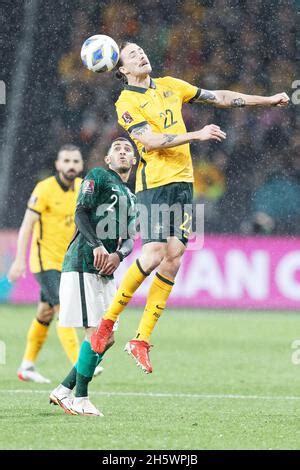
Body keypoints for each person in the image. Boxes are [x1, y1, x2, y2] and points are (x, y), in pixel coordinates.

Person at [91, 42, 290, 374]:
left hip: (184, 185)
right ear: (122, 69)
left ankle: (140, 340)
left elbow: (221, 97)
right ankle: (107, 323)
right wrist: (196, 134)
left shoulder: (172, 85)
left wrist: (267, 100)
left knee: (174, 259)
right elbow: (151, 141)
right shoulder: (125, 102)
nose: (141, 55)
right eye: (132, 55)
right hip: (154, 184)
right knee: (153, 254)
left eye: (141, 50)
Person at [49, 138, 136, 416]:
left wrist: (118, 256)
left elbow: (131, 239)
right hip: (84, 262)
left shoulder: (131, 197)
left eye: (128, 150)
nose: (123, 152)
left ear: (133, 161)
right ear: (108, 159)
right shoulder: (98, 176)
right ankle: (81, 398)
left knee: (107, 336)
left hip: (105, 270)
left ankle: (64, 390)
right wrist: (98, 246)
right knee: (95, 332)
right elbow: (81, 213)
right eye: (117, 149)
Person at [8, 145, 84, 383]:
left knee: (45, 312)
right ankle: (80, 364)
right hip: (44, 261)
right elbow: (26, 226)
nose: (71, 165)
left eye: (75, 161)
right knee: (64, 308)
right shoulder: (44, 189)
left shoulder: (83, 187)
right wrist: (19, 260)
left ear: (81, 165)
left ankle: (27, 365)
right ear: (58, 165)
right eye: (66, 161)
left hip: (67, 261)